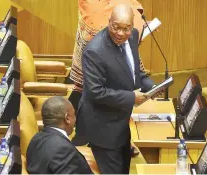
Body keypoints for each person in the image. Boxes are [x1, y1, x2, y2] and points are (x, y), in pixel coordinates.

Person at [77, 4, 156, 174]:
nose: (121, 33)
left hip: (122, 121)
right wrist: (131, 98)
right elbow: (96, 92)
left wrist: (152, 86)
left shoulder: (133, 36)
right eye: (116, 27)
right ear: (109, 22)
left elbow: (135, 71)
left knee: (123, 169)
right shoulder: (94, 51)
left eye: (126, 28)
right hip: (102, 124)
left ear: (132, 26)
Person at [26, 96, 93, 174]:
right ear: (67, 118)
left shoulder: (36, 139)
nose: (75, 118)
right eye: (74, 114)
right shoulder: (63, 150)